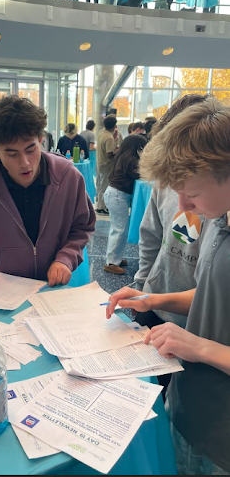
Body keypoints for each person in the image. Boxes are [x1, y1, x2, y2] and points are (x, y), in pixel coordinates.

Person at [106, 97, 230, 475]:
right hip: (192, 410)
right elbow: (213, 297)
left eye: (190, 192)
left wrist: (200, 346)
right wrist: (153, 299)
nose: (183, 204)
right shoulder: (220, 219)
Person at [0, 95, 95, 286]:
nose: (25, 163)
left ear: (41, 140)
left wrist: (66, 257)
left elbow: (82, 226)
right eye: (12, 154)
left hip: (50, 290)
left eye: (30, 149)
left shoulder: (68, 177)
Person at [134, 94, 208, 399]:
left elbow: (215, 292)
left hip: (197, 323)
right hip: (155, 302)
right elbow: (151, 237)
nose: (183, 202)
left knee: (184, 402)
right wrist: (143, 291)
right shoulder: (164, 182)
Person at [103, 135, 147, 274]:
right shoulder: (131, 160)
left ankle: (115, 257)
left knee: (119, 228)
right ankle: (111, 262)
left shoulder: (122, 157)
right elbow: (142, 174)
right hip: (117, 196)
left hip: (115, 195)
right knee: (120, 229)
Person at [95, 114, 123, 214]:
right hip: (107, 165)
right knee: (104, 186)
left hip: (100, 163)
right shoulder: (109, 138)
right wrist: (119, 150)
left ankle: (100, 204)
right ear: (114, 125)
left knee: (100, 185)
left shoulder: (101, 133)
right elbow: (109, 154)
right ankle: (101, 207)